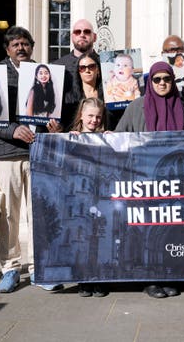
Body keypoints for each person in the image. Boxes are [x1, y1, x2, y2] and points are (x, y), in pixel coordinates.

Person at [115, 61, 184, 298]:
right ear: (149, 82)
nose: (162, 83)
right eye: (156, 79)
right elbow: (119, 140)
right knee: (148, 231)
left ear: (173, 81)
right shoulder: (136, 107)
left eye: (166, 79)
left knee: (173, 230)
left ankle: (170, 274)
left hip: (175, 181)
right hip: (145, 181)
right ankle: (150, 279)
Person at [0, 26, 62, 293]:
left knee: (39, 213)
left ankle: (39, 268)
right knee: (9, 214)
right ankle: (10, 268)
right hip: (7, 153)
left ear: (32, 46)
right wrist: (12, 130)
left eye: (25, 43)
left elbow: (54, 111)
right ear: (7, 49)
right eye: (15, 44)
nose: (21, 48)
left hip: (39, 151)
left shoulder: (45, 73)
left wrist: (55, 127)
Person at [67, 97, 110, 297]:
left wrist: (112, 139)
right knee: (81, 240)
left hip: (100, 198)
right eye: (90, 116)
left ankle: (99, 279)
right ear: (81, 116)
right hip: (79, 199)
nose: (94, 120)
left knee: (99, 239)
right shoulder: (72, 137)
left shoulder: (106, 137)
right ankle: (84, 279)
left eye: (98, 117)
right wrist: (68, 140)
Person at [51, 19, 100, 129]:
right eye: (78, 32)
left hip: (102, 132)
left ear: (95, 37)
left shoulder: (105, 64)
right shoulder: (57, 66)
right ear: (72, 36)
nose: (82, 35)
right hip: (68, 132)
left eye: (87, 32)